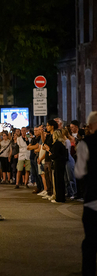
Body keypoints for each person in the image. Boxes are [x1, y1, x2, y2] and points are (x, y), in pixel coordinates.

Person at [75, 111, 97, 276]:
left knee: (90, 241)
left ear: (90, 126)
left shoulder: (86, 143)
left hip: (93, 198)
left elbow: (80, 172)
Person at [45, 130, 67, 203]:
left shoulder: (57, 144)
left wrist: (50, 154)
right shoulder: (61, 143)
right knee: (60, 180)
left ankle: (59, 198)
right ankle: (61, 197)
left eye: (53, 135)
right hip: (61, 163)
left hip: (58, 163)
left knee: (58, 181)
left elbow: (55, 154)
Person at [41, 120, 58, 200]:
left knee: (52, 177)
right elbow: (44, 144)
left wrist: (48, 148)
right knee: (47, 176)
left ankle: (54, 194)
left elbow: (51, 146)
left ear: (52, 126)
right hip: (47, 157)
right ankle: (49, 192)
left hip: (52, 157)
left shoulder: (55, 135)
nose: (47, 127)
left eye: (48, 125)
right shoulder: (48, 136)